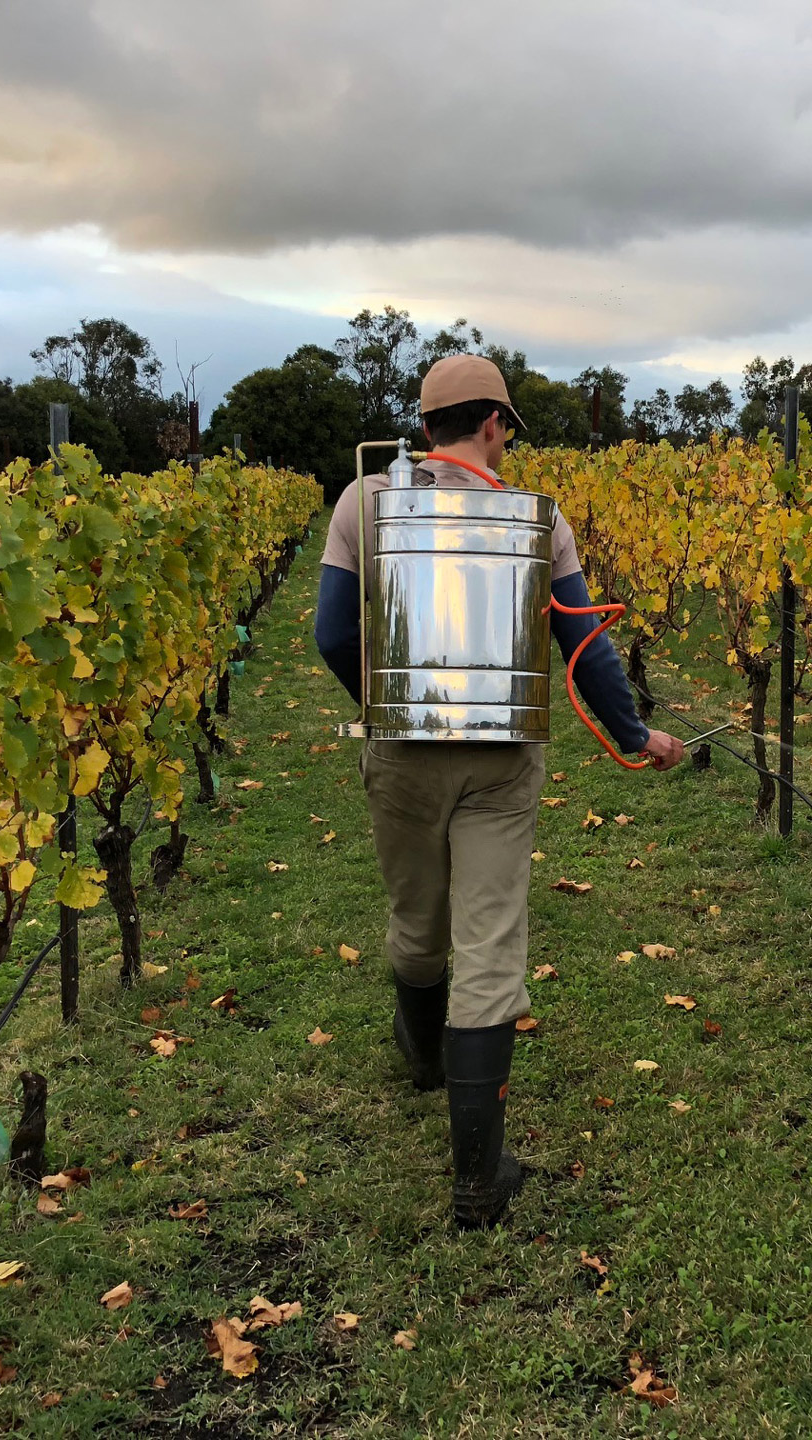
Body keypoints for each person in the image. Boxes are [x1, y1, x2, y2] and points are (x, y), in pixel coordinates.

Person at [315, 354, 685, 1228]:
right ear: (492, 424)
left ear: (424, 426)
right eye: (507, 430)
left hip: (402, 751)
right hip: (503, 760)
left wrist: (396, 703)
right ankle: (478, 1179)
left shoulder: (364, 502)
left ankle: (419, 1059)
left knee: (417, 916)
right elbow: (587, 649)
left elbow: (334, 635)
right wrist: (638, 738)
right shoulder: (539, 519)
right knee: (490, 944)